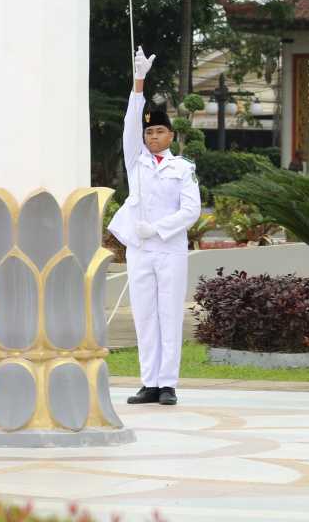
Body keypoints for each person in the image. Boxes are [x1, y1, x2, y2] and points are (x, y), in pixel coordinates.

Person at [108, 46, 202, 407]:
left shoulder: (182, 168)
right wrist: (138, 84)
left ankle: (168, 383)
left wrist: (158, 229)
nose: (152, 138)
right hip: (140, 250)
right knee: (144, 314)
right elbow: (131, 127)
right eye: (150, 133)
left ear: (171, 136)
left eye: (159, 132)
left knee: (168, 313)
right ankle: (149, 381)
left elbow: (190, 210)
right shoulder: (138, 162)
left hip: (169, 248)